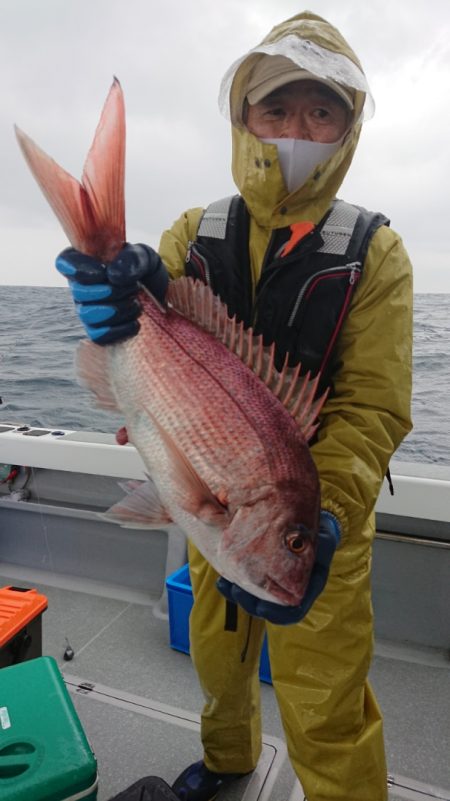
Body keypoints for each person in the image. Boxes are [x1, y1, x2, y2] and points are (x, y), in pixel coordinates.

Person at [56, 11, 413, 801]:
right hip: (220, 508)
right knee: (219, 662)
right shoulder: (196, 228)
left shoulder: (375, 251)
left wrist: (320, 520)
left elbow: (375, 408)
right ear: (242, 118)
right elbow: (149, 340)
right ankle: (227, 762)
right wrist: (121, 292)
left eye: (322, 111)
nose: (296, 129)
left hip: (318, 523)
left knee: (327, 697)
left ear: (348, 128)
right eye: (276, 108)